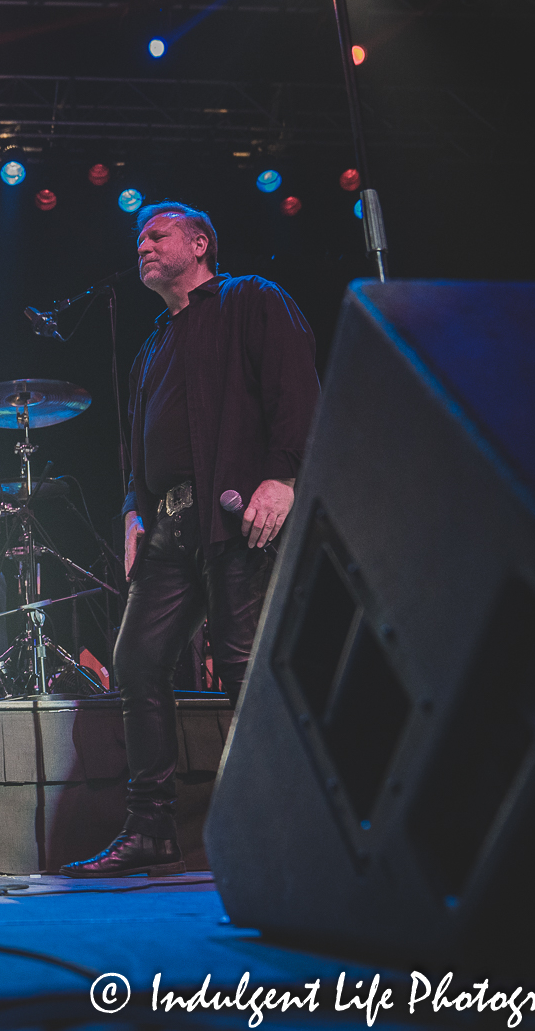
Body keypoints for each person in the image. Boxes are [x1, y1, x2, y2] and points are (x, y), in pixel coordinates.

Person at [61, 202, 320, 877]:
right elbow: (137, 454)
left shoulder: (250, 301)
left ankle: (281, 825)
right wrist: (131, 513)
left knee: (244, 667)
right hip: (169, 530)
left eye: (157, 234)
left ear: (200, 242)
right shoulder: (153, 346)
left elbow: (298, 389)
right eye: (139, 237)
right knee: (138, 660)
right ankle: (152, 829)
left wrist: (285, 475)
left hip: (235, 519)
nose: (142, 245)